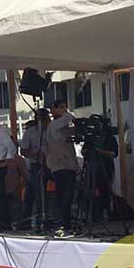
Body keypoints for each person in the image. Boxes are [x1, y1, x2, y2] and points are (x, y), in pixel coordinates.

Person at [46, 99, 79, 236]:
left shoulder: (64, 126)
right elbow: (69, 117)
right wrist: (69, 114)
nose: (63, 110)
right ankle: (61, 223)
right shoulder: (54, 125)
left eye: (65, 107)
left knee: (69, 196)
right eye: (60, 107)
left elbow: (74, 132)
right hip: (59, 166)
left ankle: (67, 222)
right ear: (53, 110)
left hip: (69, 165)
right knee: (62, 196)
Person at [19, 111, 50, 229]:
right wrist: (35, 155)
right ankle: (37, 221)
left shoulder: (51, 130)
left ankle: (52, 219)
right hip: (36, 165)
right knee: (37, 194)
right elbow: (23, 150)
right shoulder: (30, 133)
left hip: (53, 164)